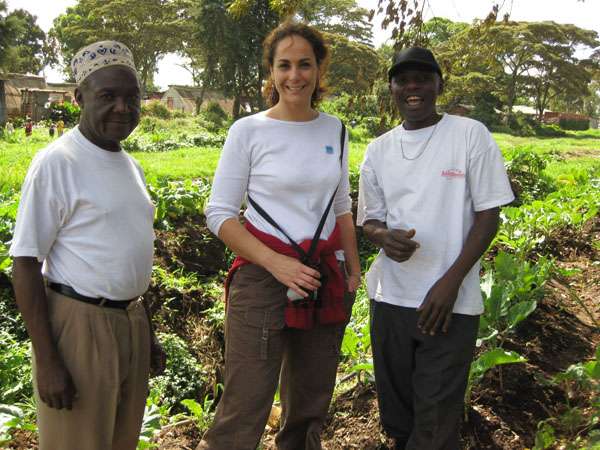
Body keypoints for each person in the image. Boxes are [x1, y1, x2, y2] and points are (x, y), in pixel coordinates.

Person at [199, 21, 361, 450]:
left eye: (304, 64)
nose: (295, 75)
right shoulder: (248, 132)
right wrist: (277, 264)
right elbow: (219, 214)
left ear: (318, 69)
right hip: (262, 279)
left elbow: (342, 206)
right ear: (271, 71)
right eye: (284, 65)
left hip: (324, 278)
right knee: (245, 402)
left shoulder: (336, 131)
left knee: (309, 405)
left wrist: (353, 272)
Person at [10, 40, 166, 450]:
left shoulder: (130, 165)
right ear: (79, 97)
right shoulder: (58, 162)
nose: (122, 107)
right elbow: (25, 263)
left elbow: (124, 249)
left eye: (131, 97)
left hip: (129, 323)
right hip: (79, 326)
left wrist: (145, 332)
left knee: (120, 441)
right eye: (108, 96)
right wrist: (47, 360)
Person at [357, 47, 515, 450]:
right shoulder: (378, 150)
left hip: (449, 306)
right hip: (390, 299)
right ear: (391, 88)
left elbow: (488, 216)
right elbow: (369, 218)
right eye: (403, 79)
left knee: (435, 422)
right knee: (397, 417)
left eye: (422, 78)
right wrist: (381, 237)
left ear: (438, 84)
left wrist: (450, 283)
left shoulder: (468, 134)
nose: (413, 87)